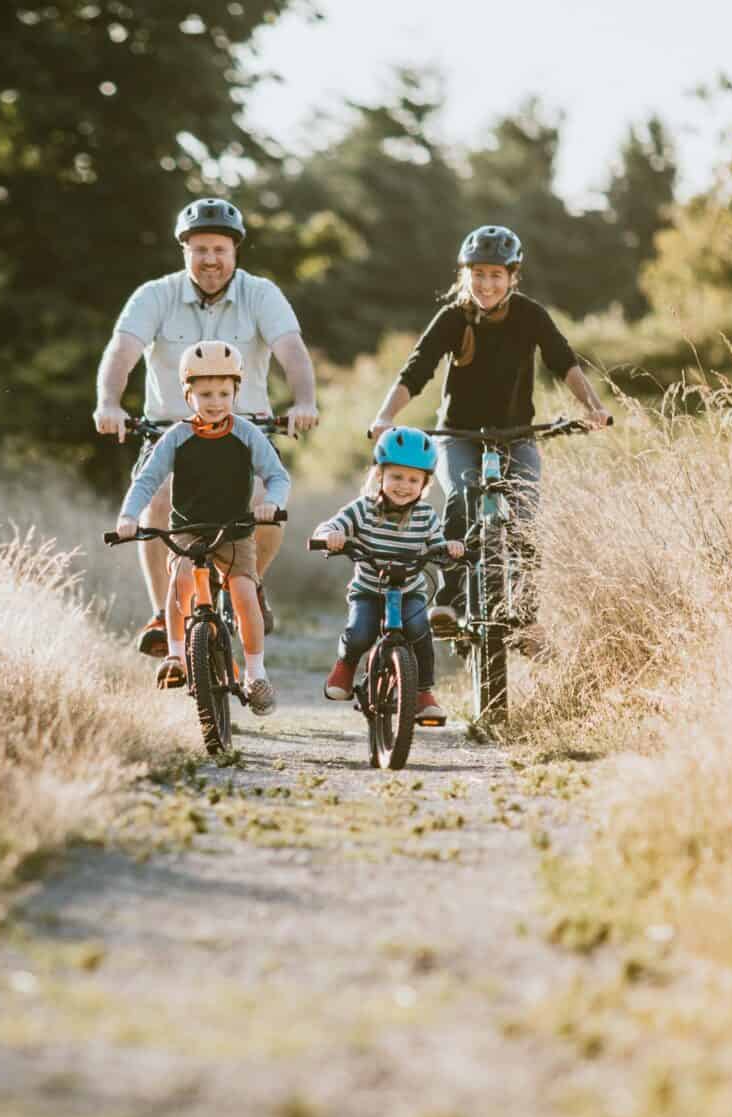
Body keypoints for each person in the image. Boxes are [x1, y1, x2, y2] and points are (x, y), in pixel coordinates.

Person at [366, 225, 610, 649]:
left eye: (496, 275)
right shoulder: (452, 317)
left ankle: (528, 617)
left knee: (526, 515)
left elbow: (563, 361)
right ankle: (450, 599)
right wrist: (386, 415)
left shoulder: (530, 314)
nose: (487, 284)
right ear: (465, 274)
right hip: (458, 434)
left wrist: (592, 407)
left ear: (513, 276)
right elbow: (417, 370)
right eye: (478, 274)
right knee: (462, 496)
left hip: (516, 436)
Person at [95, 197, 319, 657]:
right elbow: (122, 351)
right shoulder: (155, 295)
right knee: (156, 503)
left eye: (219, 248)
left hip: (243, 428)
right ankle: (163, 613)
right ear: (185, 251)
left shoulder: (261, 294)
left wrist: (305, 401)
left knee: (266, 502)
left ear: (235, 251)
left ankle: (250, 583)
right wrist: (109, 403)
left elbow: (291, 349)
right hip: (168, 431)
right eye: (200, 249)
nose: (210, 259)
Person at [114, 339, 290, 714]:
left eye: (224, 393)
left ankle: (256, 672)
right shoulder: (176, 437)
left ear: (236, 392)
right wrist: (129, 517)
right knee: (180, 584)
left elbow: (277, 476)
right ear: (187, 394)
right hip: (189, 530)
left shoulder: (247, 434)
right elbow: (146, 481)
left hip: (235, 530)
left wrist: (272, 503)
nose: (215, 401)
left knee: (244, 592)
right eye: (205, 393)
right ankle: (176, 656)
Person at [313, 428, 463, 723]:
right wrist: (331, 537)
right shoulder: (363, 509)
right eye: (396, 476)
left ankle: (422, 692)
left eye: (413, 479)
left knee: (420, 631)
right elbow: (329, 527)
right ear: (380, 475)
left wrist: (451, 549)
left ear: (424, 483)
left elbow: (438, 545)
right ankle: (346, 665)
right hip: (369, 590)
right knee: (360, 632)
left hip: (410, 592)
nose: (404, 486)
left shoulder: (426, 516)